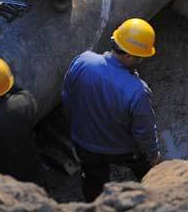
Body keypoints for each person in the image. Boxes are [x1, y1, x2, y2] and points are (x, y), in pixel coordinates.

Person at [62, 18, 162, 202]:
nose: (141, 60)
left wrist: (78, 130)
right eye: (141, 57)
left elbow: (67, 98)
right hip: (120, 149)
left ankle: (96, 205)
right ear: (130, 56)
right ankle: (156, 197)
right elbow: (144, 131)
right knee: (147, 170)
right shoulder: (137, 91)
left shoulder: (83, 61)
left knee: (94, 182)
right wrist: (153, 155)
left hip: (84, 144)